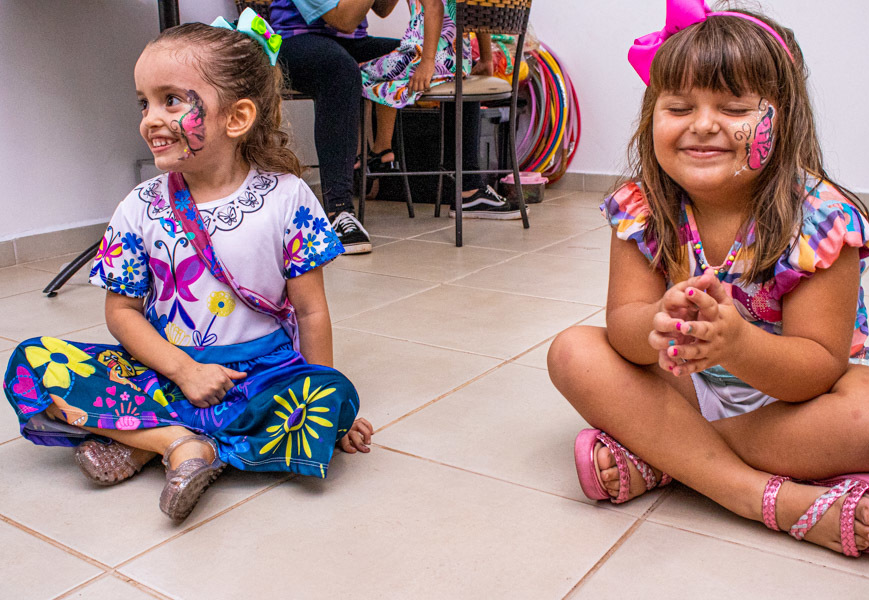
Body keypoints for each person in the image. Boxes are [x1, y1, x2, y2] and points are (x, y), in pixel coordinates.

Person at [547, 0, 869, 557]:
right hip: (689, 386)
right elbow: (622, 328)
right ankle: (760, 494)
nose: (703, 124)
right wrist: (654, 325)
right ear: (651, 117)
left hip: (796, 402)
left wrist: (736, 343)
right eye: (679, 106)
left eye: (734, 107)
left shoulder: (821, 219)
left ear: (783, 118)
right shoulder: (642, 208)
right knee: (572, 351)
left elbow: (817, 368)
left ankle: (672, 457)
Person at [2, 10, 373, 522]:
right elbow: (122, 314)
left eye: (170, 100)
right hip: (163, 369)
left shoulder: (288, 199)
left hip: (259, 373)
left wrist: (324, 407)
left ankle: (145, 440)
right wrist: (184, 370)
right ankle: (179, 443)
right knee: (32, 362)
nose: (149, 118)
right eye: (144, 102)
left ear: (237, 118)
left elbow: (311, 315)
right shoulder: (140, 205)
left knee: (331, 396)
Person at [358, 0, 523, 219]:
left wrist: (426, 62)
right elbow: (478, 12)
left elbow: (434, 5)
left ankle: (370, 155)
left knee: (355, 73)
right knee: (381, 66)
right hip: (458, 57)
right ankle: (382, 150)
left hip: (429, 57)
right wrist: (485, 59)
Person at [270, 0, 405, 254]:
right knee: (340, 69)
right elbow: (343, 19)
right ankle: (339, 209)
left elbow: (383, 10)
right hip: (294, 41)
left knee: (412, 55)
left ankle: (470, 188)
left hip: (348, 42)